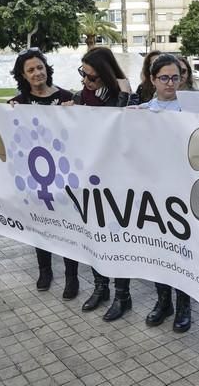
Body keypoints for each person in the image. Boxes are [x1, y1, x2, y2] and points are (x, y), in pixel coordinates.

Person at [8, 48, 80, 299]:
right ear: (23, 75)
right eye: (30, 70)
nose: (37, 73)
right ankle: (45, 271)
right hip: (34, 177)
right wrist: (11, 116)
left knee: (68, 226)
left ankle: (72, 277)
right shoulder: (18, 104)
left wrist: (74, 113)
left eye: (40, 67)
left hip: (65, 175)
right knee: (41, 225)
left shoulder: (66, 98)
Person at [71, 46, 135, 321]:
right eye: (83, 75)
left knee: (116, 237)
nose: (86, 82)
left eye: (93, 78)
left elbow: (123, 129)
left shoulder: (123, 96)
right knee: (94, 235)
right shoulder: (79, 97)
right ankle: (101, 287)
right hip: (88, 179)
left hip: (117, 180)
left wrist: (123, 91)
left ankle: (123, 295)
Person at [137, 53, 193, 332]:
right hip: (153, 191)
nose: (170, 83)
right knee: (157, 248)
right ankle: (163, 301)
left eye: (175, 77)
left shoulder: (192, 108)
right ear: (152, 79)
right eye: (164, 78)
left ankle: (184, 304)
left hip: (182, 191)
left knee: (181, 249)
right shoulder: (141, 111)